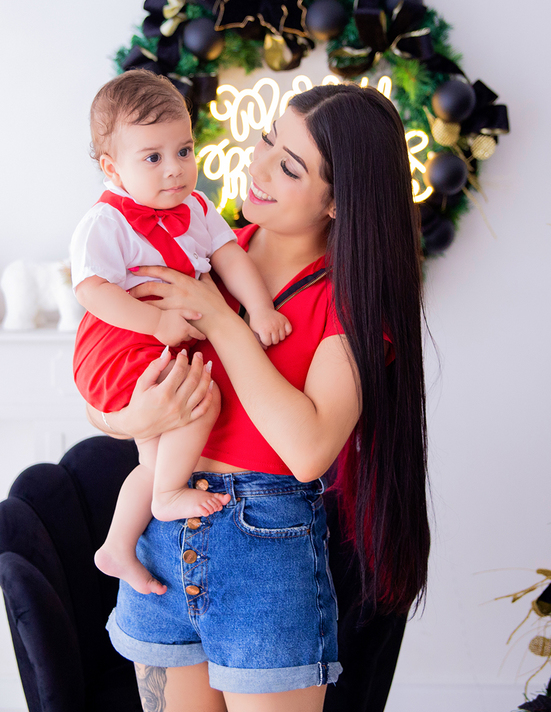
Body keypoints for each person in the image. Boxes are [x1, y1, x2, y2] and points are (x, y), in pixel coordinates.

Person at [87, 84, 430, 712]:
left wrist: (221, 320)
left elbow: (308, 450)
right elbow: (102, 389)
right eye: (269, 139)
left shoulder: (349, 301)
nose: (259, 165)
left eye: (290, 166)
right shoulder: (199, 251)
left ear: (337, 202)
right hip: (161, 538)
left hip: (265, 548)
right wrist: (136, 416)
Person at [71, 69, 292, 597]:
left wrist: (260, 308)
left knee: (155, 456)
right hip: (124, 344)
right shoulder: (107, 222)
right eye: (152, 157)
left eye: (185, 150)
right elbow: (91, 290)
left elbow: (230, 254)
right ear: (112, 167)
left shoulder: (194, 209)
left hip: (160, 344)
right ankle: (169, 495)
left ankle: (117, 546)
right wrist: (157, 323)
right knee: (201, 401)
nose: (175, 170)